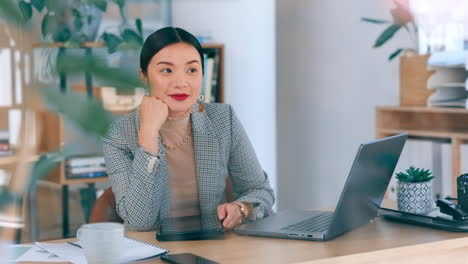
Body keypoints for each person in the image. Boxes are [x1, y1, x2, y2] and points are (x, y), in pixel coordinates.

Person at [102, 27, 274, 232]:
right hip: (149, 251)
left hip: (214, 247)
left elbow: (260, 191)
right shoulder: (118, 134)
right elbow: (140, 222)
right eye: (167, 70)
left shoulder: (223, 119)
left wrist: (242, 208)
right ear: (144, 76)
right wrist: (148, 135)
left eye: (191, 70)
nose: (181, 82)